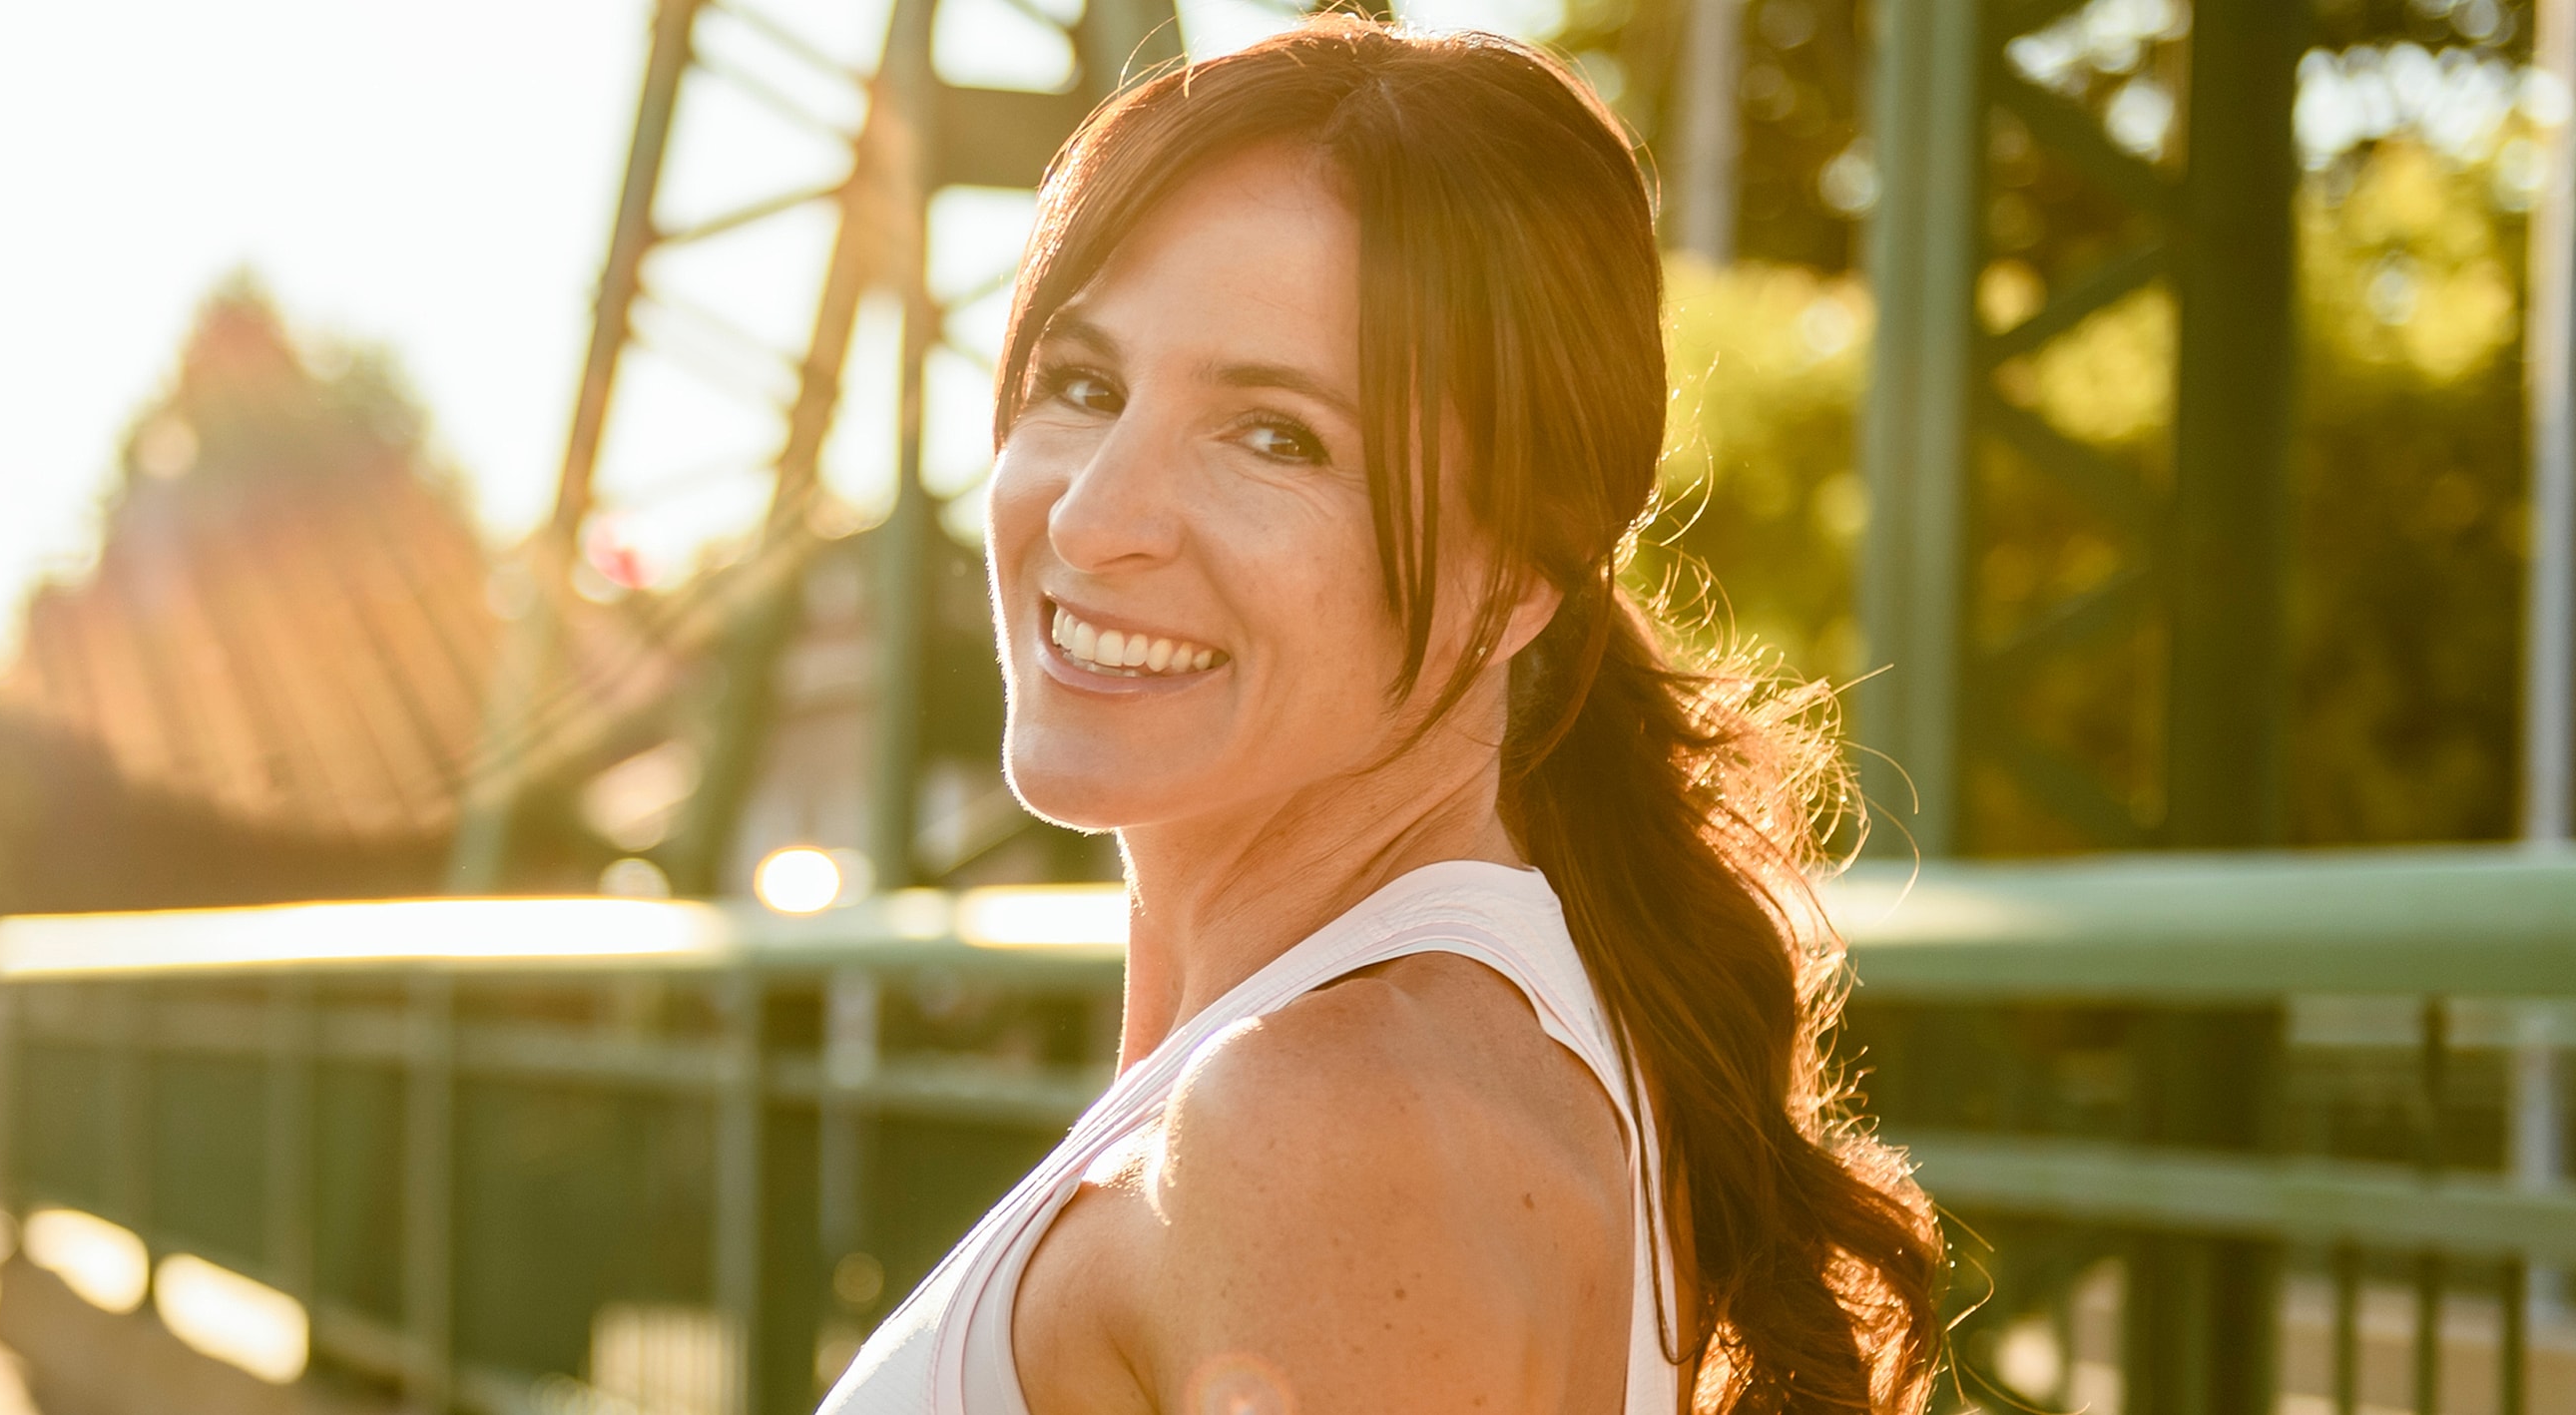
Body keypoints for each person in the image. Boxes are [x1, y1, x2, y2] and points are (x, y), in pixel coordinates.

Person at [821, 17, 1940, 1414]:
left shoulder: (1324, 1130)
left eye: (1276, 436)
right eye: (1083, 384)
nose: (1096, 517)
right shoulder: (1379, 1054)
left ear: (1520, 573)